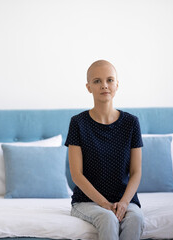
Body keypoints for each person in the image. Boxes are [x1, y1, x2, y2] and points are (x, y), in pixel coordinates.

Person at [65, 60, 144, 240]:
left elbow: (136, 171)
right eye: (97, 81)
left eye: (109, 80)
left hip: (125, 200)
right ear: (88, 87)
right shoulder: (78, 123)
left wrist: (124, 203)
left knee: (136, 219)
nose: (104, 86)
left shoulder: (131, 123)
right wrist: (104, 204)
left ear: (117, 84)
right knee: (108, 219)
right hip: (87, 201)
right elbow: (76, 175)